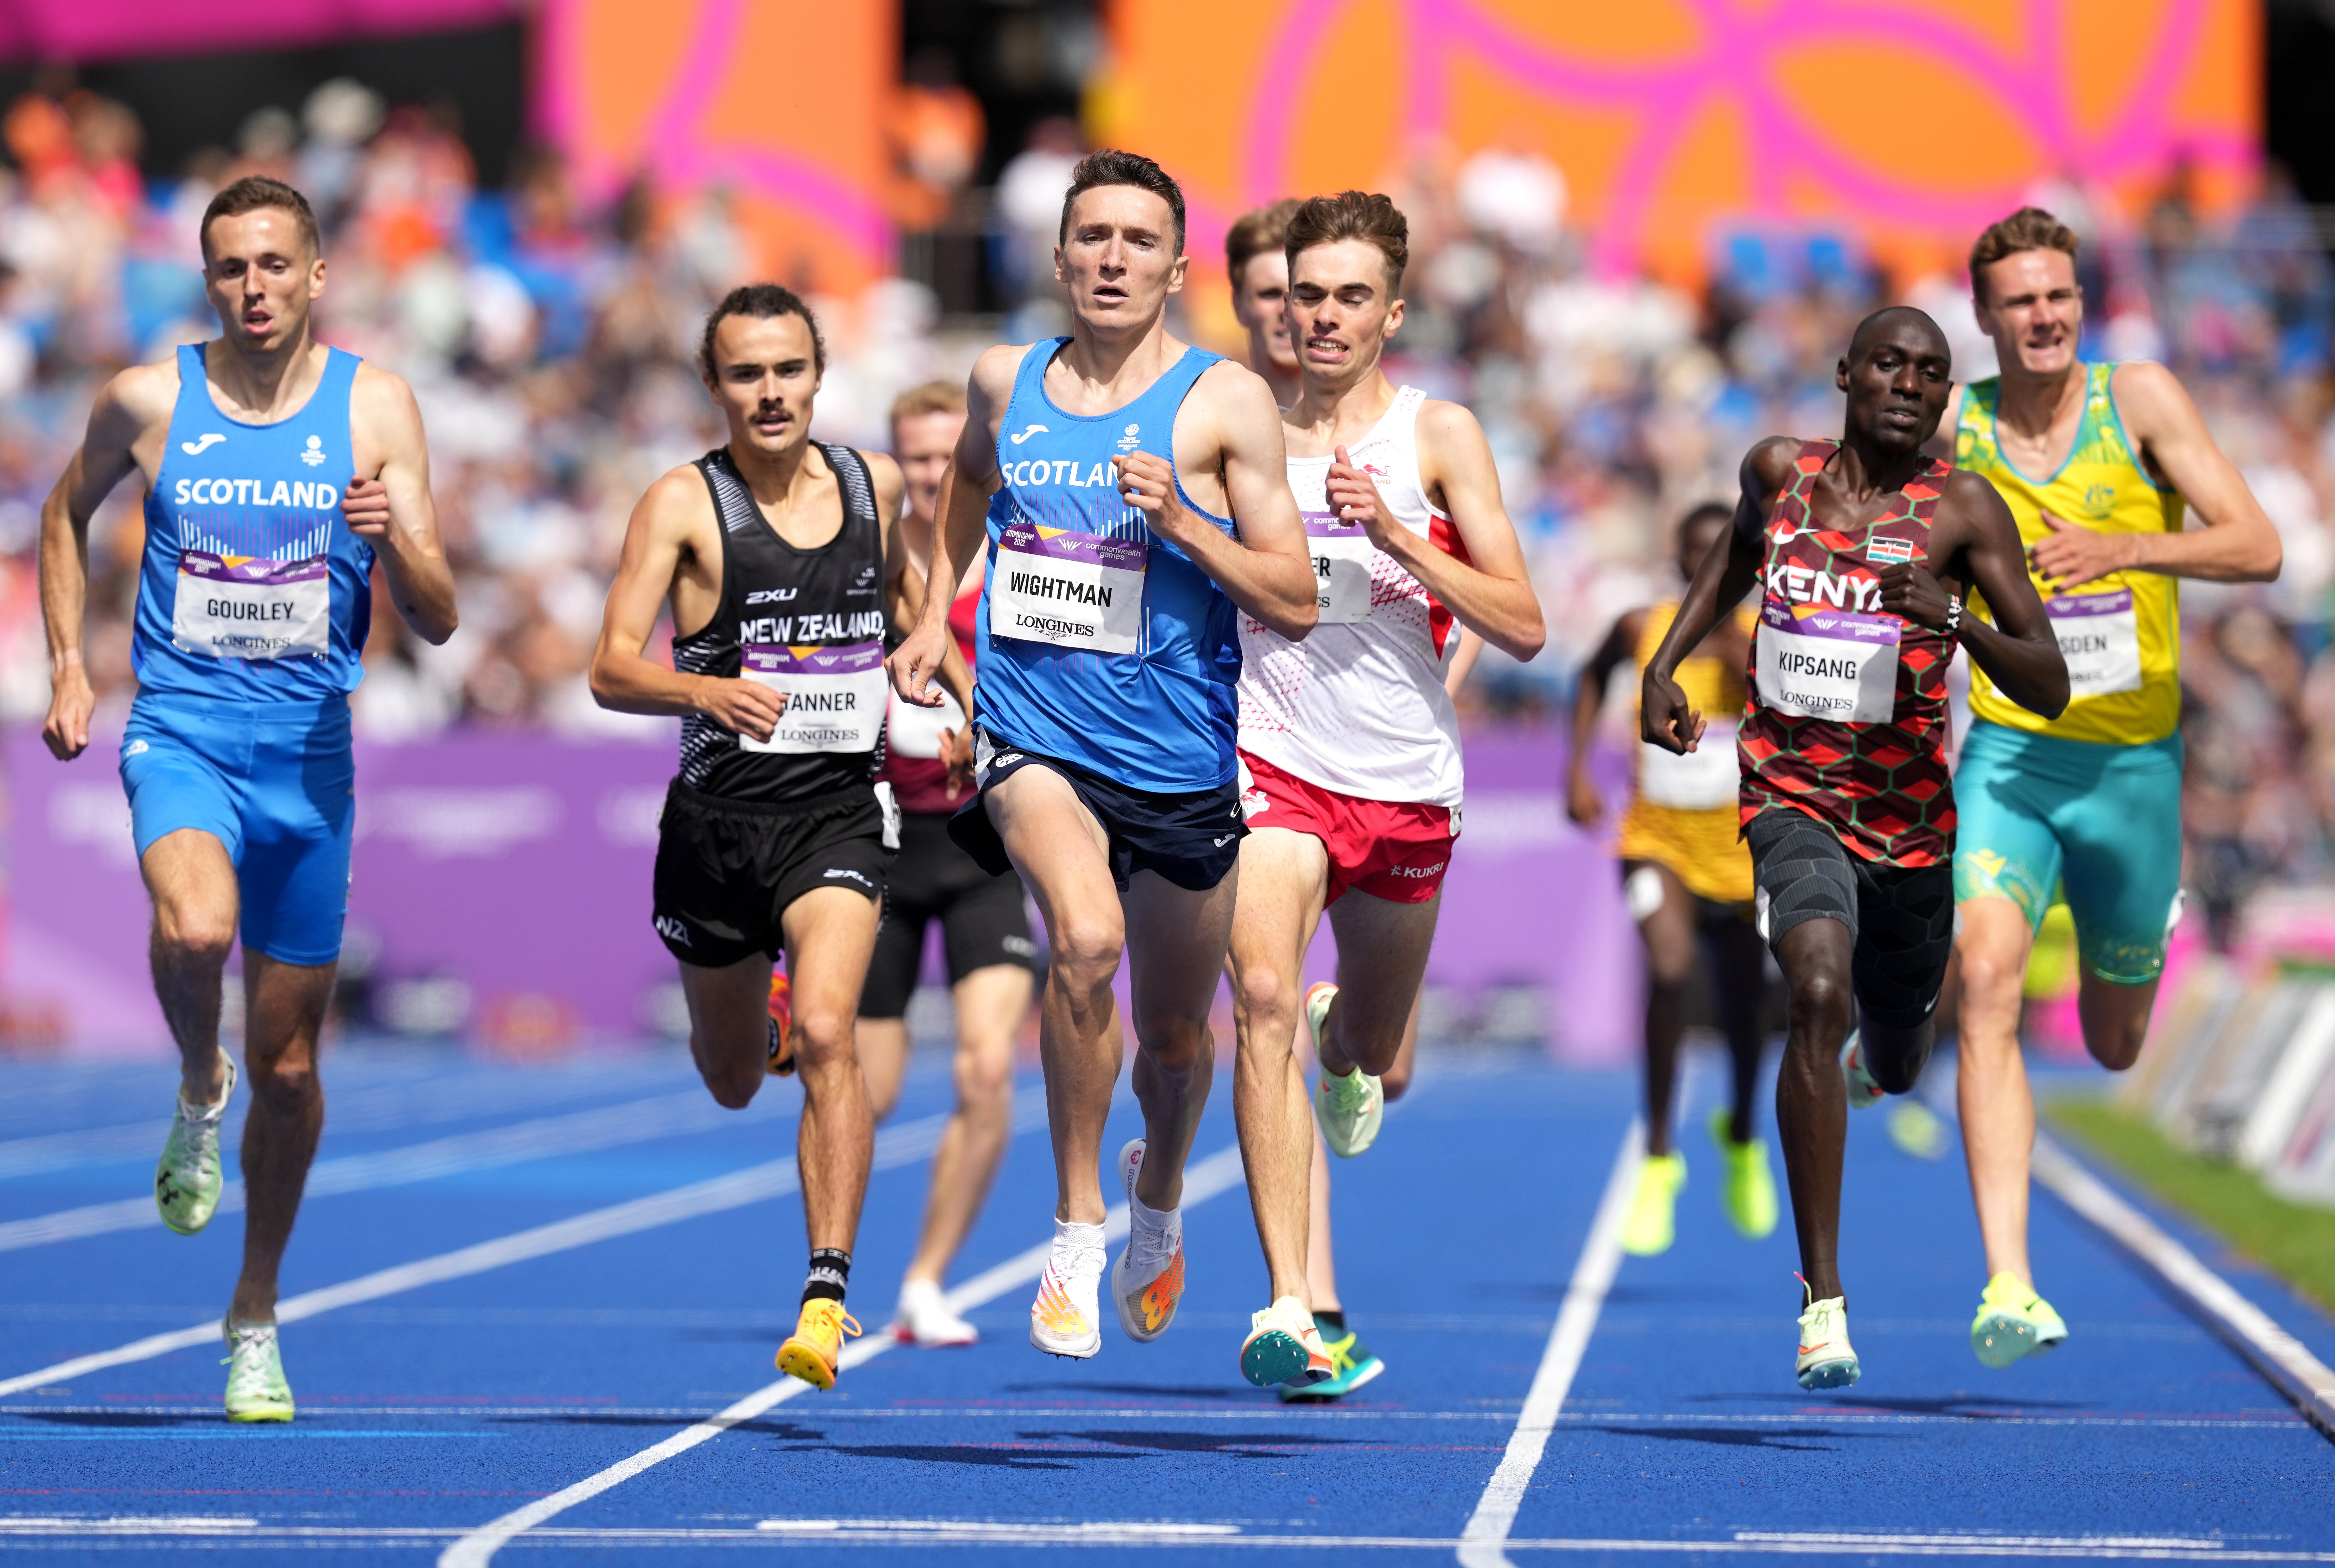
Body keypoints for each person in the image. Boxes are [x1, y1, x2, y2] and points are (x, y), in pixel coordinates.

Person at [37, 175, 459, 1423]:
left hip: (311, 760)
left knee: (291, 1065)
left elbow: (438, 616)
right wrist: (70, 662)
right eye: (231, 268)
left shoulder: (376, 405)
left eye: (276, 264)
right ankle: (190, 1073)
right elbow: (64, 515)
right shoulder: (148, 398)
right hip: (182, 733)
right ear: (206, 278)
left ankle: (255, 1312)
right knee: (195, 929)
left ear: (319, 273)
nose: (254, 288)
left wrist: (397, 542)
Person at [889, 148, 1316, 1363]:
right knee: (1080, 940)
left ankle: (1157, 1194)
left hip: (1179, 761)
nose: (1114, 259)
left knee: (1178, 1043)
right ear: (1061, 254)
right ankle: (1073, 1224)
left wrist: (1182, 520)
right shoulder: (999, 380)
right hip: (1034, 737)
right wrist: (933, 612)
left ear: (1177, 267)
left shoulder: (1222, 403)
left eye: (1139, 240)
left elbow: (1291, 594)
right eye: (1094, 238)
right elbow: (964, 492)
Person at [1641, 306, 2069, 1390]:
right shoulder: (1778, 470)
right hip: (1792, 800)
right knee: (1816, 990)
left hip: (1911, 827)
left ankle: (1889, 1060)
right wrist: (1669, 664)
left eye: (1932, 373)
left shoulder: (1963, 509)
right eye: (1890, 363)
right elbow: (1734, 563)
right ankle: (1823, 1300)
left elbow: (2049, 681)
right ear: (1847, 372)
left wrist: (1954, 617)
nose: (1910, 385)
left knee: (1895, 1051)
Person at [588, 284, 966, 1392]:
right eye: (746, 374)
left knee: (832, 1028)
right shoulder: (681, 504)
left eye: (788, 370)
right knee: (732, 1082)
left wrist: (955, 704)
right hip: (716, 829)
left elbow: (910, 605)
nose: (770, 393)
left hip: (838, 814)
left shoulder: (873, 483)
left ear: (818, 374)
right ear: (716, 389)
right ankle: (752, 1014)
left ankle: (827, 1290)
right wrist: (703, 694)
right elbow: (610, 667)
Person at [1945, 208, 2282, 1367]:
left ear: (2079, 304)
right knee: (1984, 976)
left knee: (2115, 1041)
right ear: (1984, 319)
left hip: (2133, 768)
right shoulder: (1960, 428)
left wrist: (2125, 549)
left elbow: (2258, 543)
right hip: (2009, 757)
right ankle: (2009, 1281)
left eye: (2060, 296)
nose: (2044, 317)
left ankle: (2139, 925)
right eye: (2020, 302)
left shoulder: (2138, 402)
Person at [1226, 190, 1544, 1391]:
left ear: (1393, 310)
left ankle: (1345, 1040)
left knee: (1371, 1046)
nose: (1324, 315)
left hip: (1405, 777)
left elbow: (1521, 624)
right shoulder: (1239, 427)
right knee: (1259, 989)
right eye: (1306, 293)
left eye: (1352, 295)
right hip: (1269, 760)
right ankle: (1290, 1303)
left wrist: (1403, 539)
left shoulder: (1438, 434)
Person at [857, 380, 1039, 1348]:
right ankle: (829, 1274)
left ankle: (927, 1279)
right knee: (860, 1086)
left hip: (985, 842)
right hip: (883, 842)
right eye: (915, 458)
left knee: (983, 1069)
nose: (931, 474)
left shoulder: (1017, 554)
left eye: (946, 456)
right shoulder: (869, 561)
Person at [1567, 502, 1775, 1258]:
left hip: (1743, 851)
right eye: (1696, 555)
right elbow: (1587, 678)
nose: (1707, 568)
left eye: (1722, 554)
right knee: (1669, 967)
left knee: (1746, 1006)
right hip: (1655, 841)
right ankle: (1658, 1154)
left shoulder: (1763, 638)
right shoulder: (1640, 630)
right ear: (1681, 561)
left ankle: (1743, 1133)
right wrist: (1576, 772)